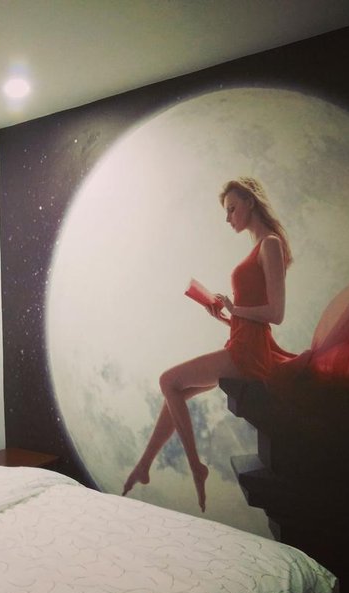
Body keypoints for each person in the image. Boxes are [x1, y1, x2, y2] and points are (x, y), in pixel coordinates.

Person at [122, 177, 295, 512]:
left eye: (232, 208)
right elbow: (252, 321)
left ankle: (195, 467)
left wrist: (234, 309)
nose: (228, 218)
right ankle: (144, 464)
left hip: (249, 353)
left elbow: (276, 314)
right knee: (176, 392)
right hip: (243, 342)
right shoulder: (259, 246)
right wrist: (223, 316)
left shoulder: (270, 244)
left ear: (250, 202)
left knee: (167, 381)